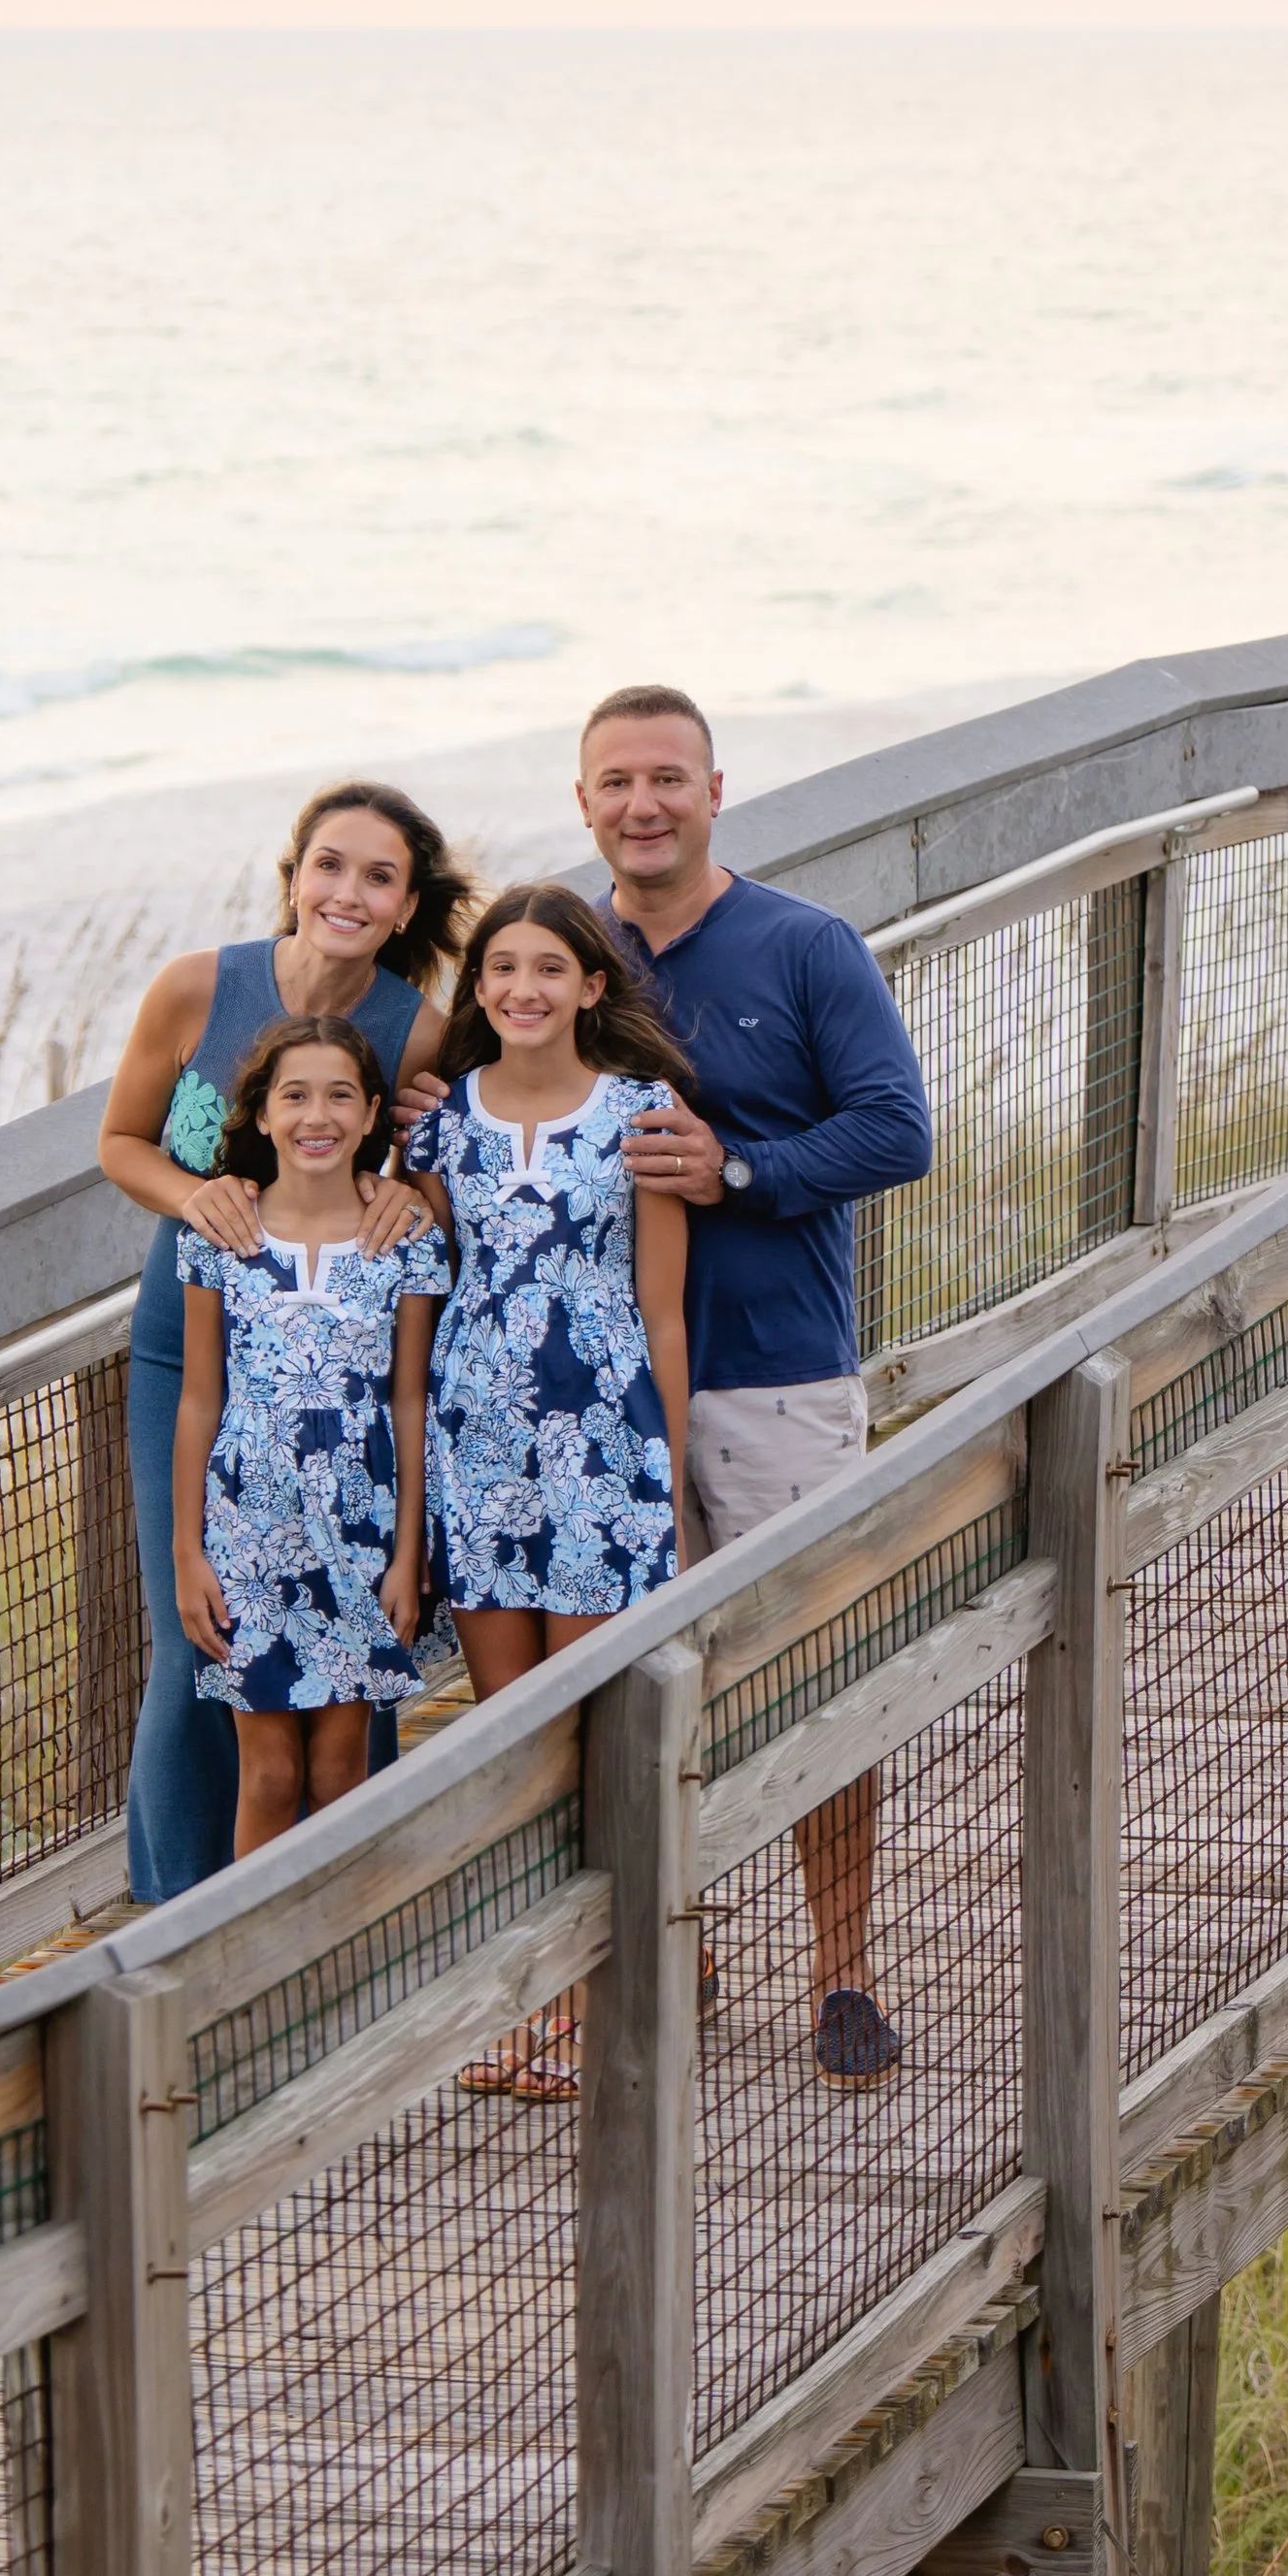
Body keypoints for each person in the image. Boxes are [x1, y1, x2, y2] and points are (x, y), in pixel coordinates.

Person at [581, 682, 933, 2087]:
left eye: (669, 778)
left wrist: (739, 1172)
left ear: (718, 791)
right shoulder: (560, 959)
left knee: (812, 1670)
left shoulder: (802, 946)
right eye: (616, 782)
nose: (643, 804)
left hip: (776, 1376)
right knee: (643, 1693)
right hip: (601, 1393)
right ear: (584, 804)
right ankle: (681, 1944)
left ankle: (842, 1969)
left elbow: (898, 1129)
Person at [98, 781, 471, 1905]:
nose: (347, 892)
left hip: (346, 1385)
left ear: (407, 905)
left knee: (353, 1661)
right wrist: (197, 1194)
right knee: (194, 1635)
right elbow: (119, 1141)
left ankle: (349, 1898)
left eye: (378, 875)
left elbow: (433, 1190)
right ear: (293, 873)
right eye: (330, 864)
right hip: (192, 1350)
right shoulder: (196, 988)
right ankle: (176, 1906)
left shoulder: (419, 1029)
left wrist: (423, 1204)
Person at [403, 882, 692, 2099]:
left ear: (592, 985)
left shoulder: (643, 1116)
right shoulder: (438, 1132)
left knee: (589, 1732)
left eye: (547, 967)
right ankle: (521, 2005)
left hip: (601, 1460)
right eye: (500, 968)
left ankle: (601, 1996)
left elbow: (663, 1312)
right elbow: (414, 1310)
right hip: (479, 1454)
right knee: (510, 1737)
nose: (523, 987)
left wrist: (662, 1483)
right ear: (478, 991)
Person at [173, 1016, 453, 1858]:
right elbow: (197, 1401)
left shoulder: (404, 1242)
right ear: (261, 1114)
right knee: (269, 1778)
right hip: (248, 1535)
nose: (316, 1116)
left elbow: (410, 1403)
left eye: (339, 1096)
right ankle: (259, 1979)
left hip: (359, 1536)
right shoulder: (220, 1239)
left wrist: (409, 1555)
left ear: (372, 1116)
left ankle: (345, 1977)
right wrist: (189, 1554)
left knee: (339, 1772)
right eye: (293, 1096)